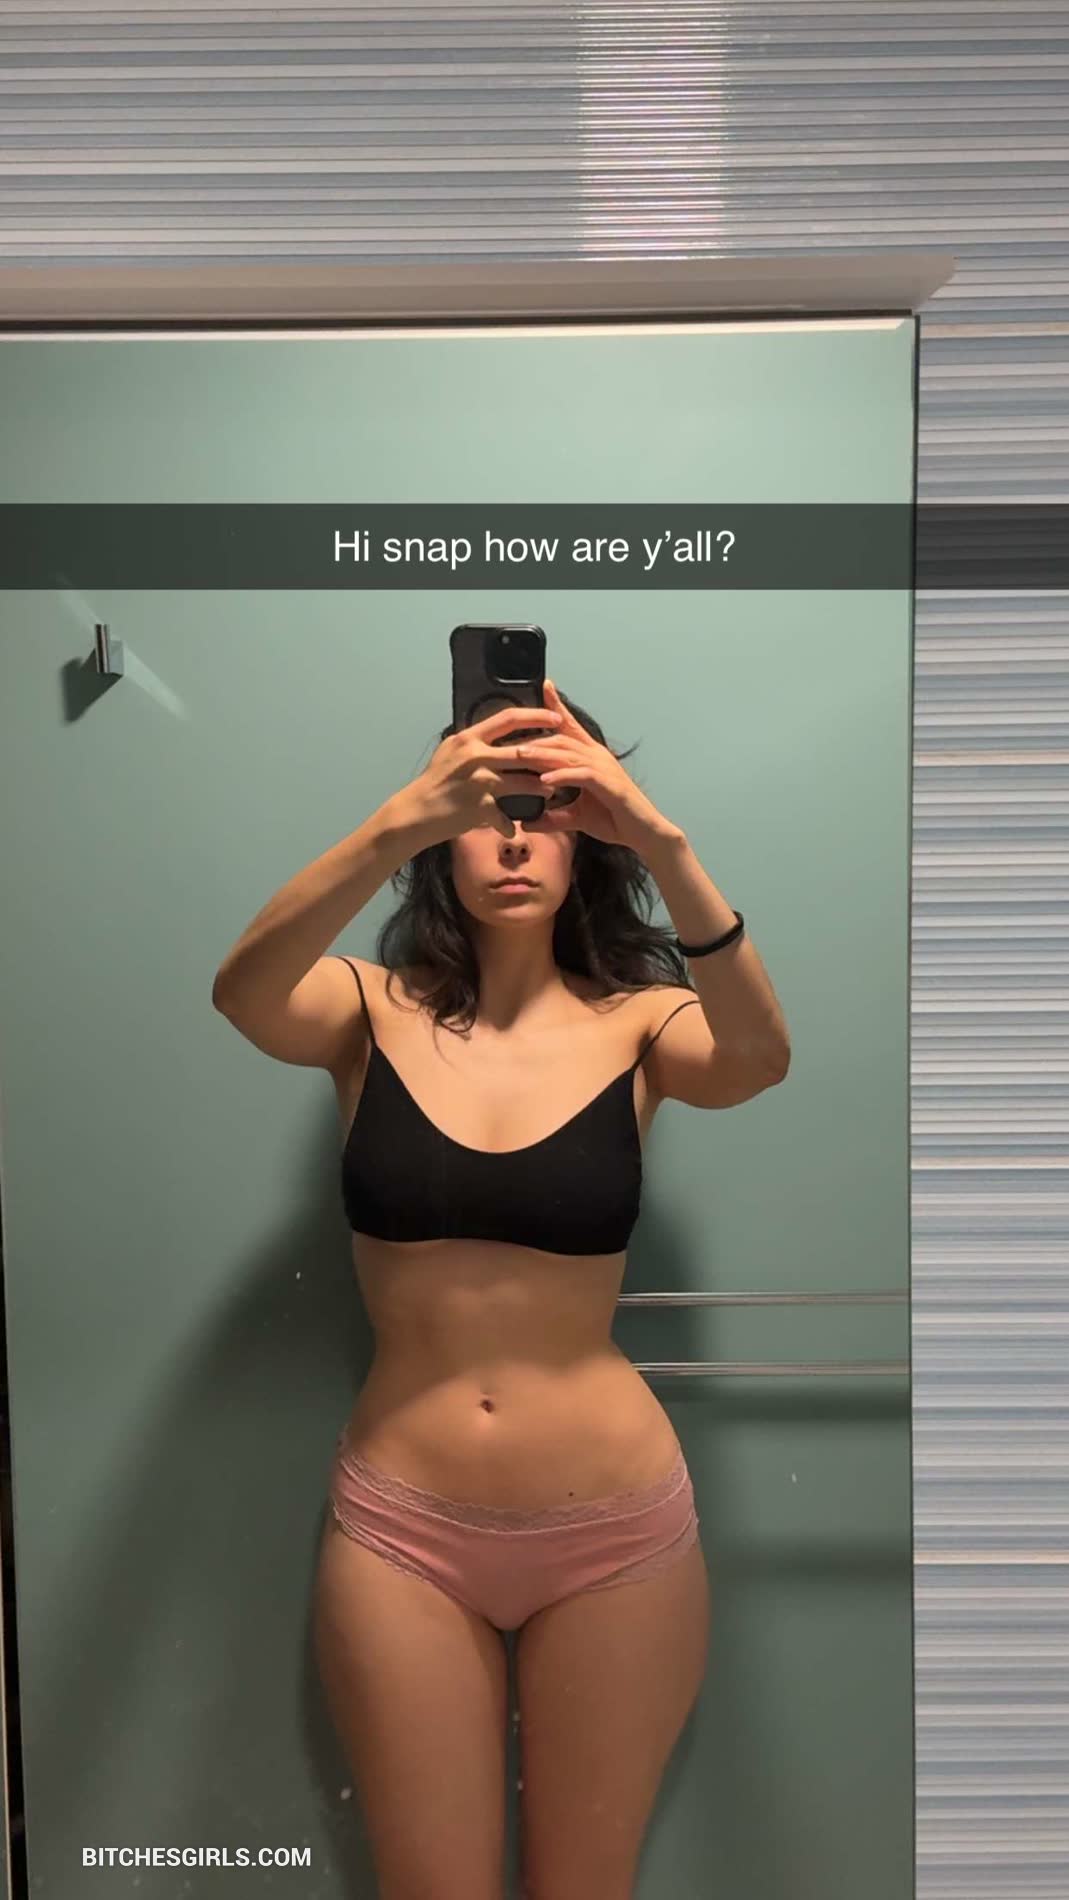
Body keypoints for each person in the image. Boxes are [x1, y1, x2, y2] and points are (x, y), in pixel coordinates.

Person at [212, 676, 790, 1900]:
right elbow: (243, 992)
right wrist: (397, 820)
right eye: (484, 809)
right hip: (403, 1534)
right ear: (441, 837)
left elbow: (757, 1059)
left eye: (544, 809)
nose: (514, 838)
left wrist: (665, 841)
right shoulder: (365, 1010)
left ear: (588, 839)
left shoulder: (643, 1023)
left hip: (613, 1533)